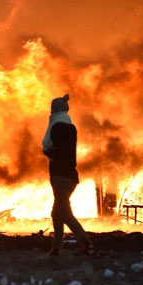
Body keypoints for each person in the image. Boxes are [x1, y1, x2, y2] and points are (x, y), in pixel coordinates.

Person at [42, 93, 94, 256]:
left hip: (60, 175)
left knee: (64, 212)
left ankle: (85, 242)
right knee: (57, 212)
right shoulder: (71, 127)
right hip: (71, 176)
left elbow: (60, 150)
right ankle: (56, 248)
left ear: (54, 110)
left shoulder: (57, 127)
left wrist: (48, 151)